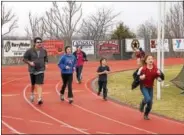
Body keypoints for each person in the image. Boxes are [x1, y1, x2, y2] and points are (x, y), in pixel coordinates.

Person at [137, 54, 164, 120]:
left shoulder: (156, 69)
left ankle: (146, 114)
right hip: (143, 86)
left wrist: (159, 77)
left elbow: (159, 78)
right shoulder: (142, 69)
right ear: (146, 61)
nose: (150, 60)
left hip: (150, 87)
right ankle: (142, 103)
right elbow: (136, 77)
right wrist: (141, 77)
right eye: (149, 59)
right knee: (148, 99)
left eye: (151, 59)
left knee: (150, 103)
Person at [23, 37, 48, 105]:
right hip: (32, 70)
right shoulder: (29, 51)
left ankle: (39, 98)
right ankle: (32, 93)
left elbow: (46, 58)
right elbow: (24, 59)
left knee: (39, 84)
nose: (39, 43)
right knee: (33, 84)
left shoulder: (44, 50)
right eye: (38, 42)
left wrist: (45, 63)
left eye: (40, 42)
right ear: (34, 43)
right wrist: (30, 62)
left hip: (41, 69)